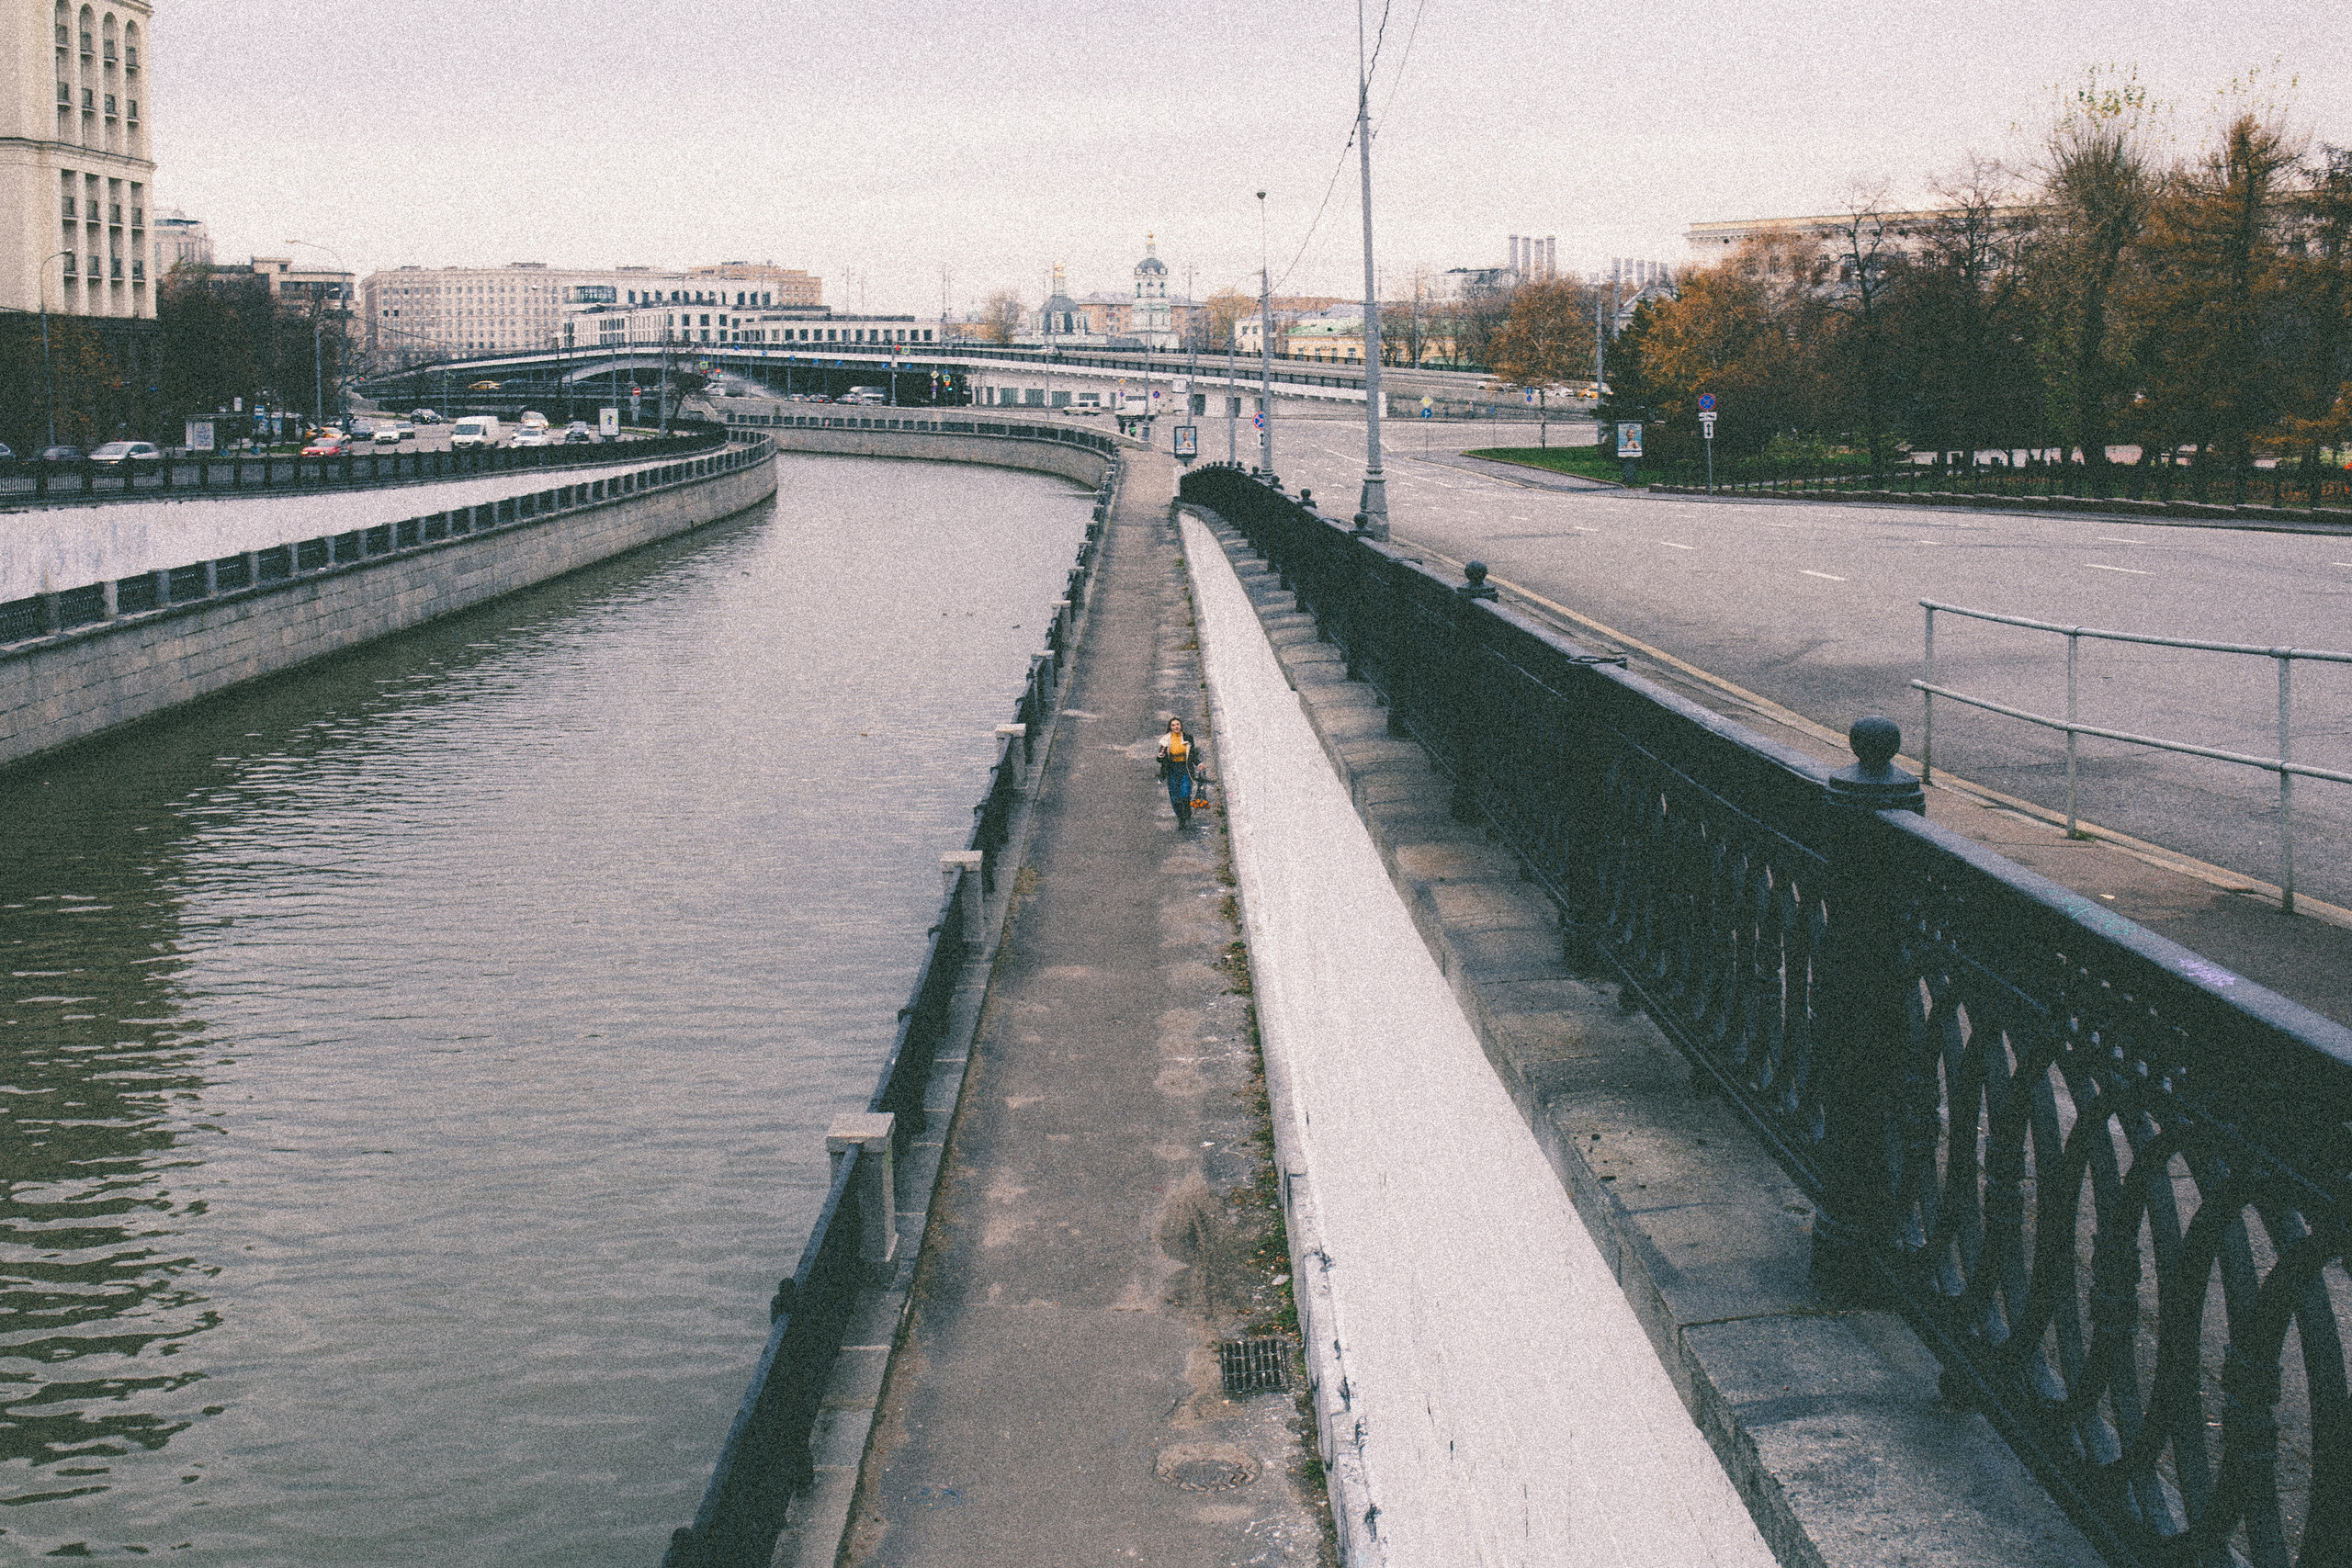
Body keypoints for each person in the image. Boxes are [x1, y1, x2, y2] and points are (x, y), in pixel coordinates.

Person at [1155, 717, 1206, 829]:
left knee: (1184, 794)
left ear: (1181, 726)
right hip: (1172, 769)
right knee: (1175, 798)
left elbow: (1192, 754)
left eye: (1177, 724)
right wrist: (1161, 755)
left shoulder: (1188, 738)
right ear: (1170, 727)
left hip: (1185, 769)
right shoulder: (1166, 740)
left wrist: (1198, 764)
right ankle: (1181, 818)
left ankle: (1187, 811)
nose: (1176, 727)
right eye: (1173, 725)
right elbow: (1159, 759)